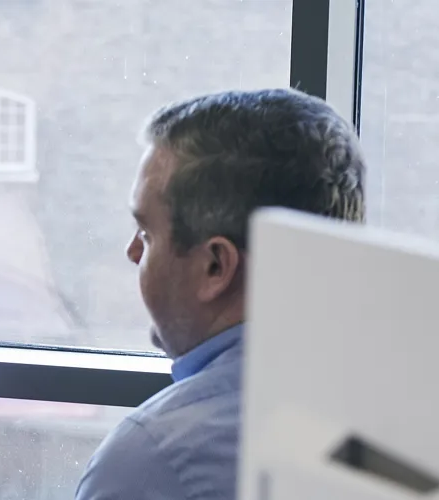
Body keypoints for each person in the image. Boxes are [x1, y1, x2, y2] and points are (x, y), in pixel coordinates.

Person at [75, 88, 365, 500]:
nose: (132, 251)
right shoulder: (418, 411)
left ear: (215, 267)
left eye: (147, 233)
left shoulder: (155, 462)